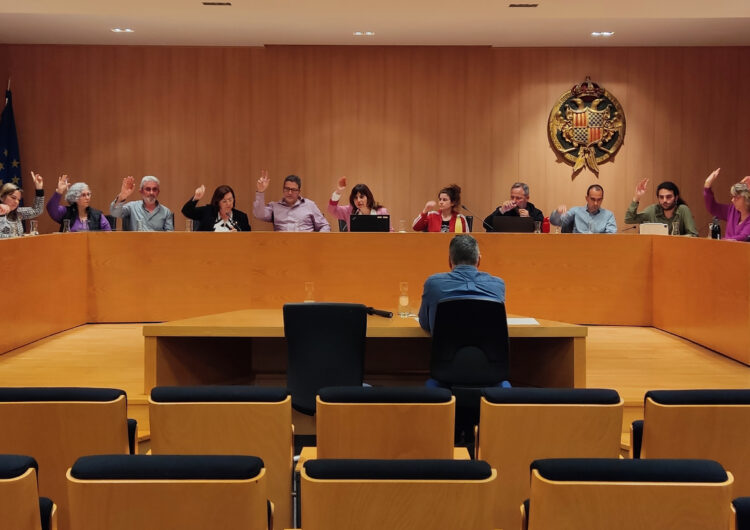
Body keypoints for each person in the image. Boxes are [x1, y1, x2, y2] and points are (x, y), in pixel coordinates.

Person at [418, 234, 505, 334]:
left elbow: (425, 324)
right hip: (487, 345)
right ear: (479, 260)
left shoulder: (433, 284)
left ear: (449, 261)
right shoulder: (498, 285)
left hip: (447, 344)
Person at [253, 170, 330, 232]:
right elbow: (259, 214)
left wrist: (317, 241)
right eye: (287, 189)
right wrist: (260, 192)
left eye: (293, 190)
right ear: (283, 190)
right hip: (282, 244)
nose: (290, 193)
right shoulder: (275, 206)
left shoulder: (309, 205)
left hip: (305, 245)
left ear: (299, 191)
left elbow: (324, 226)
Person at [624, 179, 698, 236]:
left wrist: (673, 239)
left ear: (676, 198)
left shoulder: (683, 209)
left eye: (668, 197)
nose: (664, 200)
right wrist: (637, 197)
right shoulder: (653, 210)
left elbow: (693, 234)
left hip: (677, 248)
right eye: (661, 197)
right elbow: (629, 219)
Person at [46, 175, 111, 231]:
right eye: (83, 195)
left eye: (88, 194)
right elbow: (51, 209)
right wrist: (59, 192)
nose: (87, 198)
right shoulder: (66, 212)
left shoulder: (97, 215)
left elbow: (109, 235)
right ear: (75, 198)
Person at [110, 175, 174, 231]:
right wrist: (122, 197)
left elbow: (170, 236)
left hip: (157, 241)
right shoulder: (132, 207)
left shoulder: (166, 212)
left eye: (154, 189)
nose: (151, 193)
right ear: (141, 191)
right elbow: (114, 213)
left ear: (158, 192)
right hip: (135, 241)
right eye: (148, 189)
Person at [327, 176, 392, 231]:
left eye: (361, 197)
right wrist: (338, 191)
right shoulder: (349, 211)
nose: (358, 200)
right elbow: (332, 210)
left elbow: (390, 232)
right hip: (354, 242)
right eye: (355, 198)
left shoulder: (382, 212)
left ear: (368, 197)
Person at [703, 168, 750, 241]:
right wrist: (707, 185)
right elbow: (713, 208)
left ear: (747, 199)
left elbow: (743, 237)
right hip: (726, 247)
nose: (732, 200)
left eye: (736, 197)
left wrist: (721, 241)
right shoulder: (732, 210)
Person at [550, 184, 617, 234]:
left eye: (599, 200)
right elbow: (555, 222)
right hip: (577, 245)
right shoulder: (576, 211)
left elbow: (611, 236)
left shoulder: (608, 215)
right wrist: (557, 213)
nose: (596, 203)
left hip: (599, 246)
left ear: (602, 199)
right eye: (593, 199)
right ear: (587, 198)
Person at [181, 184, 251, 232]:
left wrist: (239, 236)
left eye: (230, 199)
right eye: (224, 201)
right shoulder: (207, 212)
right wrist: (196, 198)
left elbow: (249, 239)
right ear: (217, 202)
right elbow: (186, 211)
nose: (228, 203)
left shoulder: (241, 217)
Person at [0, 171, 44, 238]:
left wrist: (39, 189)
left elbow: (37, 210)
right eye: (13, 198)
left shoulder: (18, 212)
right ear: (2, 197)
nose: (16, 202)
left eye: (18, 200)